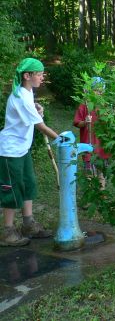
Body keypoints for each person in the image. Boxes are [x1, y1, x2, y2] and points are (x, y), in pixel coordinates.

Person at [0, 58, 59, 246]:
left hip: (22, 150)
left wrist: (37, 107)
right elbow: (40, 126)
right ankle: (7, 232)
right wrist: (61, 139)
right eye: (39, 74)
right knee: (12, 189)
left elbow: (30, 107)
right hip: (10, 152)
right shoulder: (19, 96)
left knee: (28, 183)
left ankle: (28, 224)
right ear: (27, 75)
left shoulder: (26, 92)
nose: (42, 77)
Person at [73, 77, 110, 189]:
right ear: (89, 91)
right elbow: (76, 122)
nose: (98, 93)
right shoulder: (84, 106)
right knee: (88, 172)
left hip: (102, 146)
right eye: (96, 90)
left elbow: (110, 124)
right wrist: (85, 122)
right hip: (88, 145)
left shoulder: (105, 105)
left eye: (101, 91)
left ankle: (102, 192)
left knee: (101, 172)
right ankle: (90, 196)